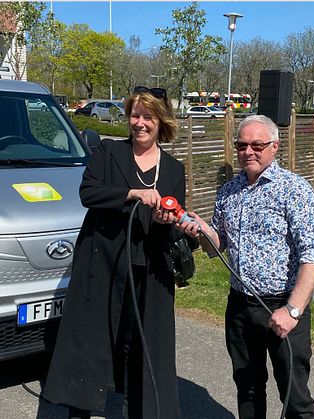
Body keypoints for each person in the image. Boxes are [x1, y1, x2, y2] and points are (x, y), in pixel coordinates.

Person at [44, 86, 184, 419]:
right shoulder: (108, 152)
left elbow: (176, 217)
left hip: (149, 270)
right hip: (102, 264)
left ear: (160, 121)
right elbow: (88, 193)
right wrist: (133, 194)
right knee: (91, 343)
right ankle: (79, 410)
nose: (139, 123)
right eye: (135, 115)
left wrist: (167, 219)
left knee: (144, 346)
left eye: (148, 117)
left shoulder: (175, 169)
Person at [178, 114, 314, 419]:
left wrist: (293, 311)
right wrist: (201, 231)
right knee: (247, 390)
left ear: (275, 146)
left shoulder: (294, 190)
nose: (249, 151)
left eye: (257, 145)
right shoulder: (229, 192)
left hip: (283, 307)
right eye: (242, 145)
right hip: (240, 309)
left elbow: (313, 255)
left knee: (295, 397)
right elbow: (217, 246)